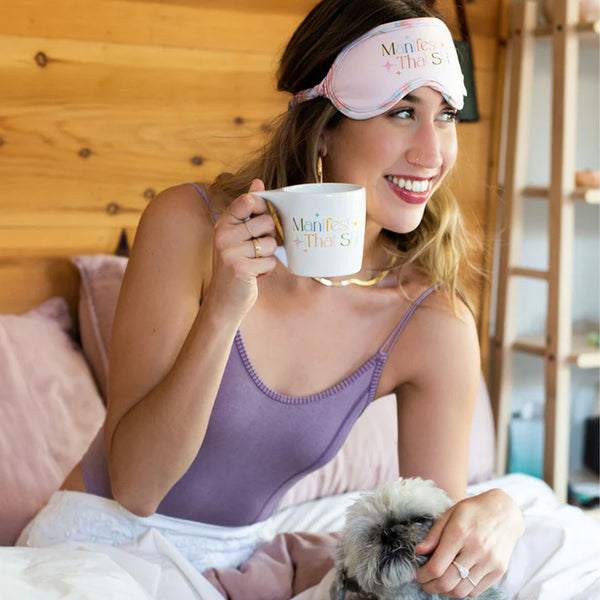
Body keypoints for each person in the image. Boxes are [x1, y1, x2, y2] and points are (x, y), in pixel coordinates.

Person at [54, 0, 524, 597]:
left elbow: (427, 555)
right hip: (95, 554)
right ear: (324, 126)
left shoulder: (434, 320)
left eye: (447, 115)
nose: (432, 155)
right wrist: (224, 309)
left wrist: (502, 510)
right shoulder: (189, 225)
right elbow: (137, 488)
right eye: (403, 112)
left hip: (237, 571)